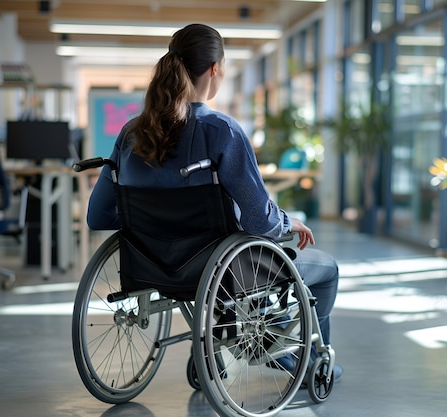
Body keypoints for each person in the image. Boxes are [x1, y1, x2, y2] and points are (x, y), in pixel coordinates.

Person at [86, 23, 341, 380]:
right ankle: (312, 361)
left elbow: (98, 216)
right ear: (215, 69)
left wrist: (154, 226)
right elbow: (258, 222)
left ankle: (244, 345)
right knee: (326, 269)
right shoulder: (222, 131)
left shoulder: (131, 134)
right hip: (222, 271)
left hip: (148, 265)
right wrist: (287, 222)